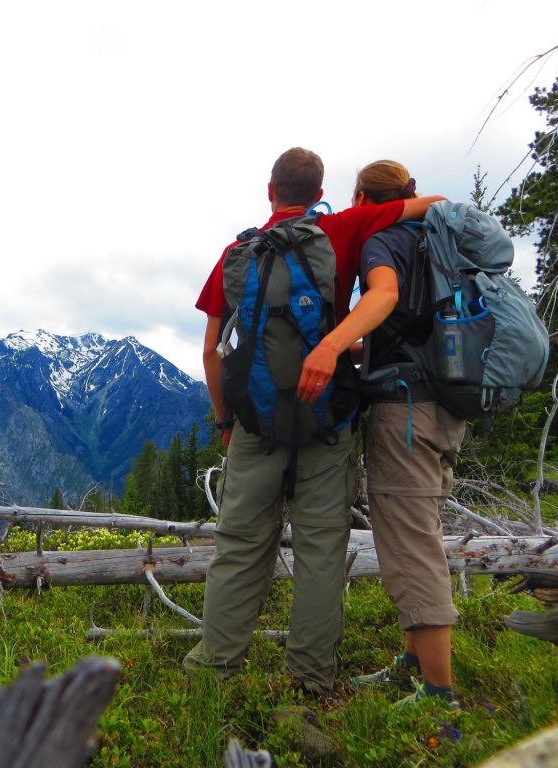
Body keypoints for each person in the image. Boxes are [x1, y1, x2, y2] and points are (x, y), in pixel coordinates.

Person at [184, 148, 444, 695]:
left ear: (270, 190)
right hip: (328, 419)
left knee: (238, 547)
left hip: (255, 424)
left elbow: (211, 350)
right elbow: (436, 205)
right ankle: (311, 680)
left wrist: (227, 422)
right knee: (321, 551)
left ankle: (215, 668)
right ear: (321, 189)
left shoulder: (238, 251)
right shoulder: (344, 229)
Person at [342, 160, 465, 709]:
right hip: (446, 404)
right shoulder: (440, 243)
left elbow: (385, 297)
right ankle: (412, 664)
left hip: (405, 413)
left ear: (365, 196)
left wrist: (330, 344)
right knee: (421, 532)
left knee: (412, 548)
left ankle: (441, 695)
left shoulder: (382, 241)